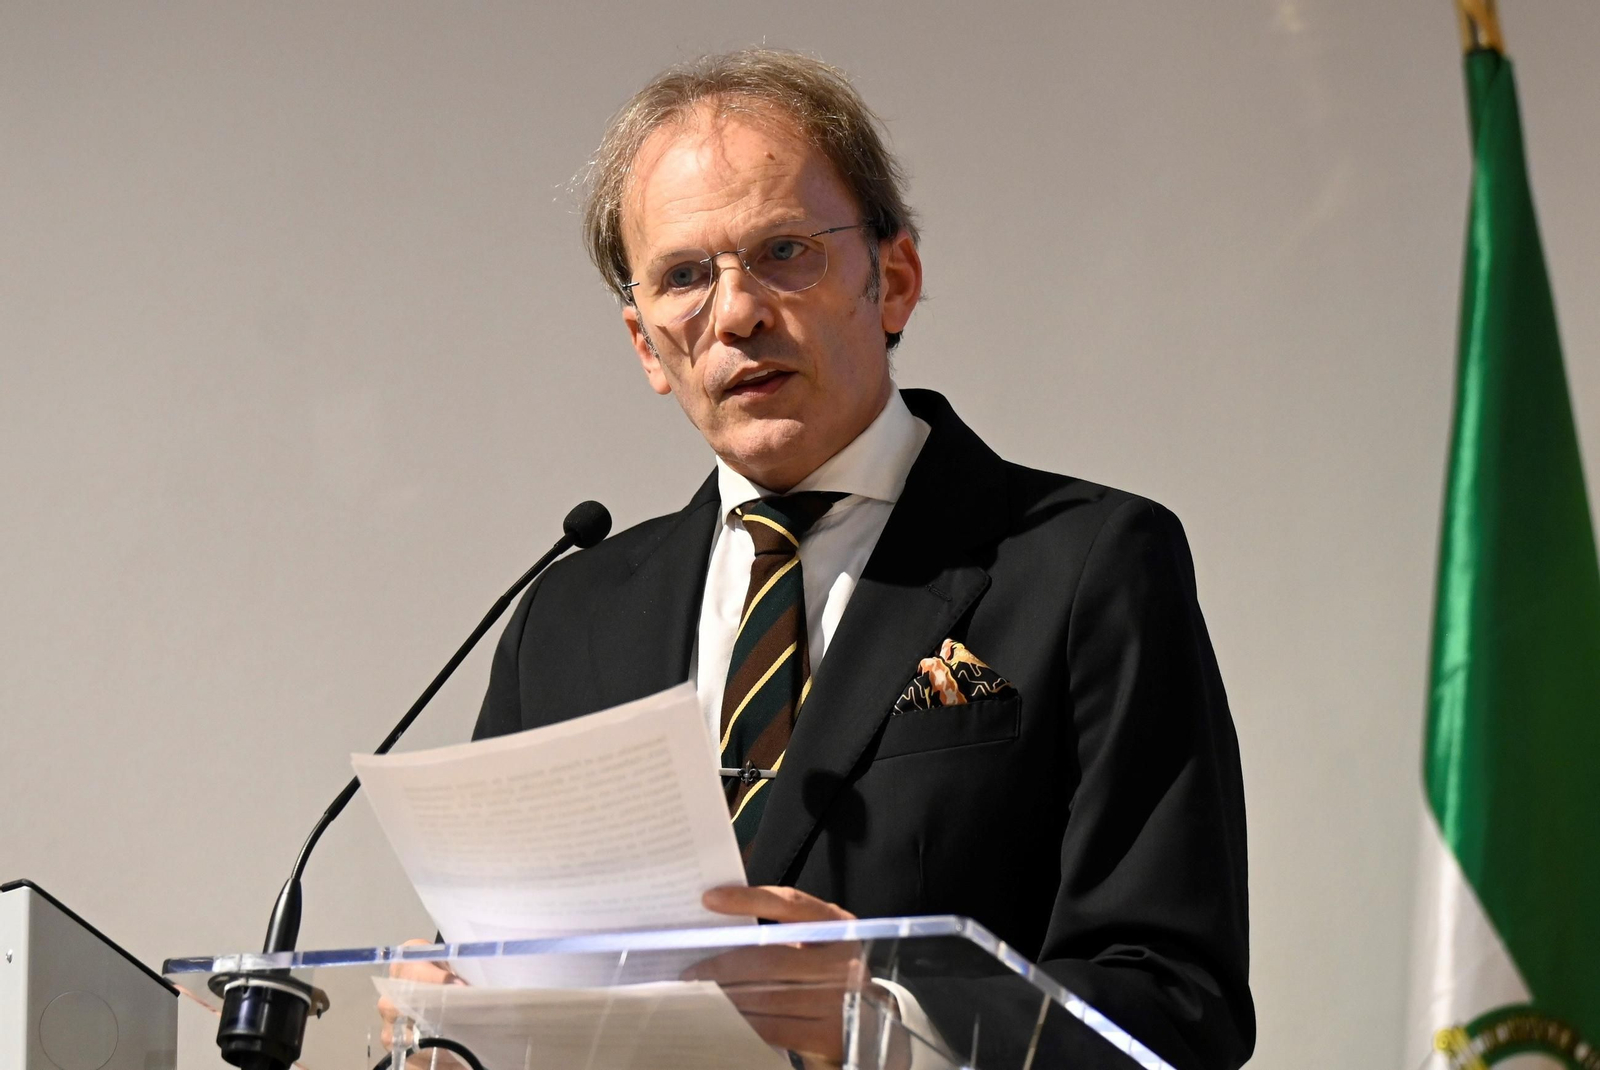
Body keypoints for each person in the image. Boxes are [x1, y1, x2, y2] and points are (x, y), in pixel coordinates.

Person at [384, 48, 1253, 1070]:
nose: (737, 313)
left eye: (784, 252)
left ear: (893, 278)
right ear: (643, 344)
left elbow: (1174, 1004)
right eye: (684, 277)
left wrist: (877, 1012)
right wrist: (447, 1028)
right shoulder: (567, 617)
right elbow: (506, 970)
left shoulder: (1082, 562)